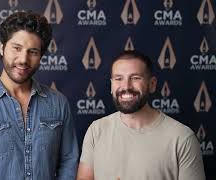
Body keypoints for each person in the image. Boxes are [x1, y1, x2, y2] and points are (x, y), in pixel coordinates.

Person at [0, 11, 79, 180]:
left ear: (40, 56)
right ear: (2, 47)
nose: (23, 59)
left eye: (33, 52)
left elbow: (68, 162)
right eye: (17, 48)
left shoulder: (58, 104)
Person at [76, 50, 205, 180]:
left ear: (152, 84)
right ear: (111, 85)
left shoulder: (182, 138)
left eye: (135, 78)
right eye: (118, 78)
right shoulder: (96, 130)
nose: (126, 86)